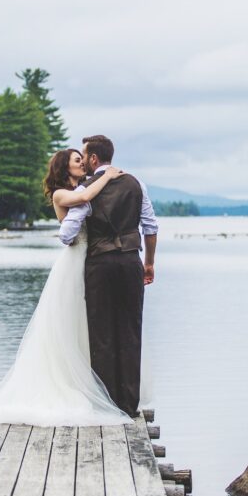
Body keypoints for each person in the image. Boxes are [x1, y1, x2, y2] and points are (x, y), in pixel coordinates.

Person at [0, 148, 131, 432]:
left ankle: (94, 384)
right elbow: (85, 198)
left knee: (86, 327)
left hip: (92, 261)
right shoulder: (61, 194)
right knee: (68, 324)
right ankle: (68, 386)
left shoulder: (82, 187)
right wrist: (109, 174)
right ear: (65, 168)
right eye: (77, 161)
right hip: (73, 263)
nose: (82, 164)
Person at [58, 134, 158, 417]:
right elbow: (150, 227)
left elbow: (67, 233)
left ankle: (105, 404)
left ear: (92, 159)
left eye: (84, 156)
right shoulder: (135, 184)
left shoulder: (86, 190)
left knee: (100, 333)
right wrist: (149, 263)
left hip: (99, 265)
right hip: (130, 261)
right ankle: (128, 404)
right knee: (130, 330)